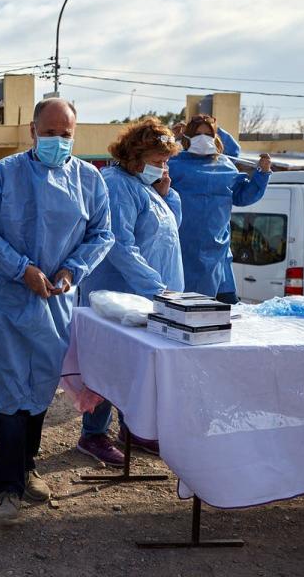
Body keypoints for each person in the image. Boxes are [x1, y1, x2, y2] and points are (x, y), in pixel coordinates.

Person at [0, 98, 114, 527]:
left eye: (65, 135)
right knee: (11, 395)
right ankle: (7, 489)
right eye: (49, 134)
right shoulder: (6, 173)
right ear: (32, 131)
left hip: (57, 301)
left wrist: (71, 270)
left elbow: (102, 234)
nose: (58, 142)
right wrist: (20, 267)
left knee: (41, 390)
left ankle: (28, 468)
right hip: (11, 299)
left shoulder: (89, 180)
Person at [75, 118, 184, 463]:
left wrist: (167, 194)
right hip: (118, 293)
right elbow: (120, 246)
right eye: (157, 160)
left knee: (133, 366)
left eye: (166, 161)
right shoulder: (117, 185)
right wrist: (157, 287)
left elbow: (168, 228)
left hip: (144, 295)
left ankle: (131, 429)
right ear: (136, 156)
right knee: (108, 364)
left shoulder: (146, 186)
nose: (162, 167)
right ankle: (93, 434)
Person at [169, 114, 272, 303]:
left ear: (216, 137)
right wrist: (169, 138)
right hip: (182, 250)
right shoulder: (173, 164)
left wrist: (262, 174)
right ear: (187, 137)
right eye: (197, 133)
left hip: (218, 253)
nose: (202, 138)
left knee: (227, 310)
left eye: (208, 134)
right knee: (184, 310)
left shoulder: (226, 166)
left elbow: (242, 196)